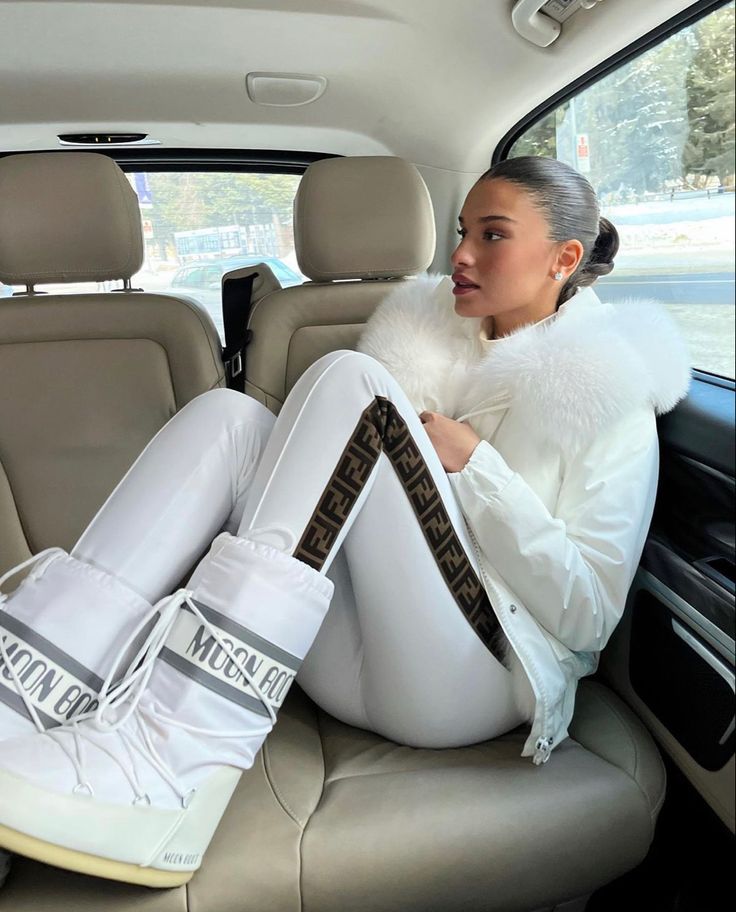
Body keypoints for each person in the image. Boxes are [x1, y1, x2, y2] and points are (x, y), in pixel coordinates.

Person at [0, 156, 691, 887]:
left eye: (492, 236)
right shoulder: (431, 345)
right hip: (343, 656)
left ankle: (169, 763)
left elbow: (586, 618)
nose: (459, 255)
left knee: (350, 383)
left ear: (565, 258)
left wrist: (478, 470)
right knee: (231, 417)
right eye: (462, 233)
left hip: (475, 683)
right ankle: (18, 699)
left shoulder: (605, 395)